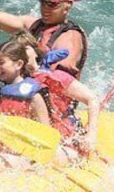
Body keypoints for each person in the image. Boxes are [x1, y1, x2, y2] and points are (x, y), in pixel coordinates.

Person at [10, 30, 100, 162]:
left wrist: (91, 136)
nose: (22, 53)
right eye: (17, 51)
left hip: (67, 141)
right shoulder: (15, 85)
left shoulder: (55, 76)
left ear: (36, 52)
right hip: (39, 140)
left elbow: (92, 99)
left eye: (26, 48)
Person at [0, 40, 50, 170]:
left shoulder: (34, 97)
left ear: (19, 64)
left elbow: (46, 135)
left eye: (2, 63)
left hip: (21, 156)